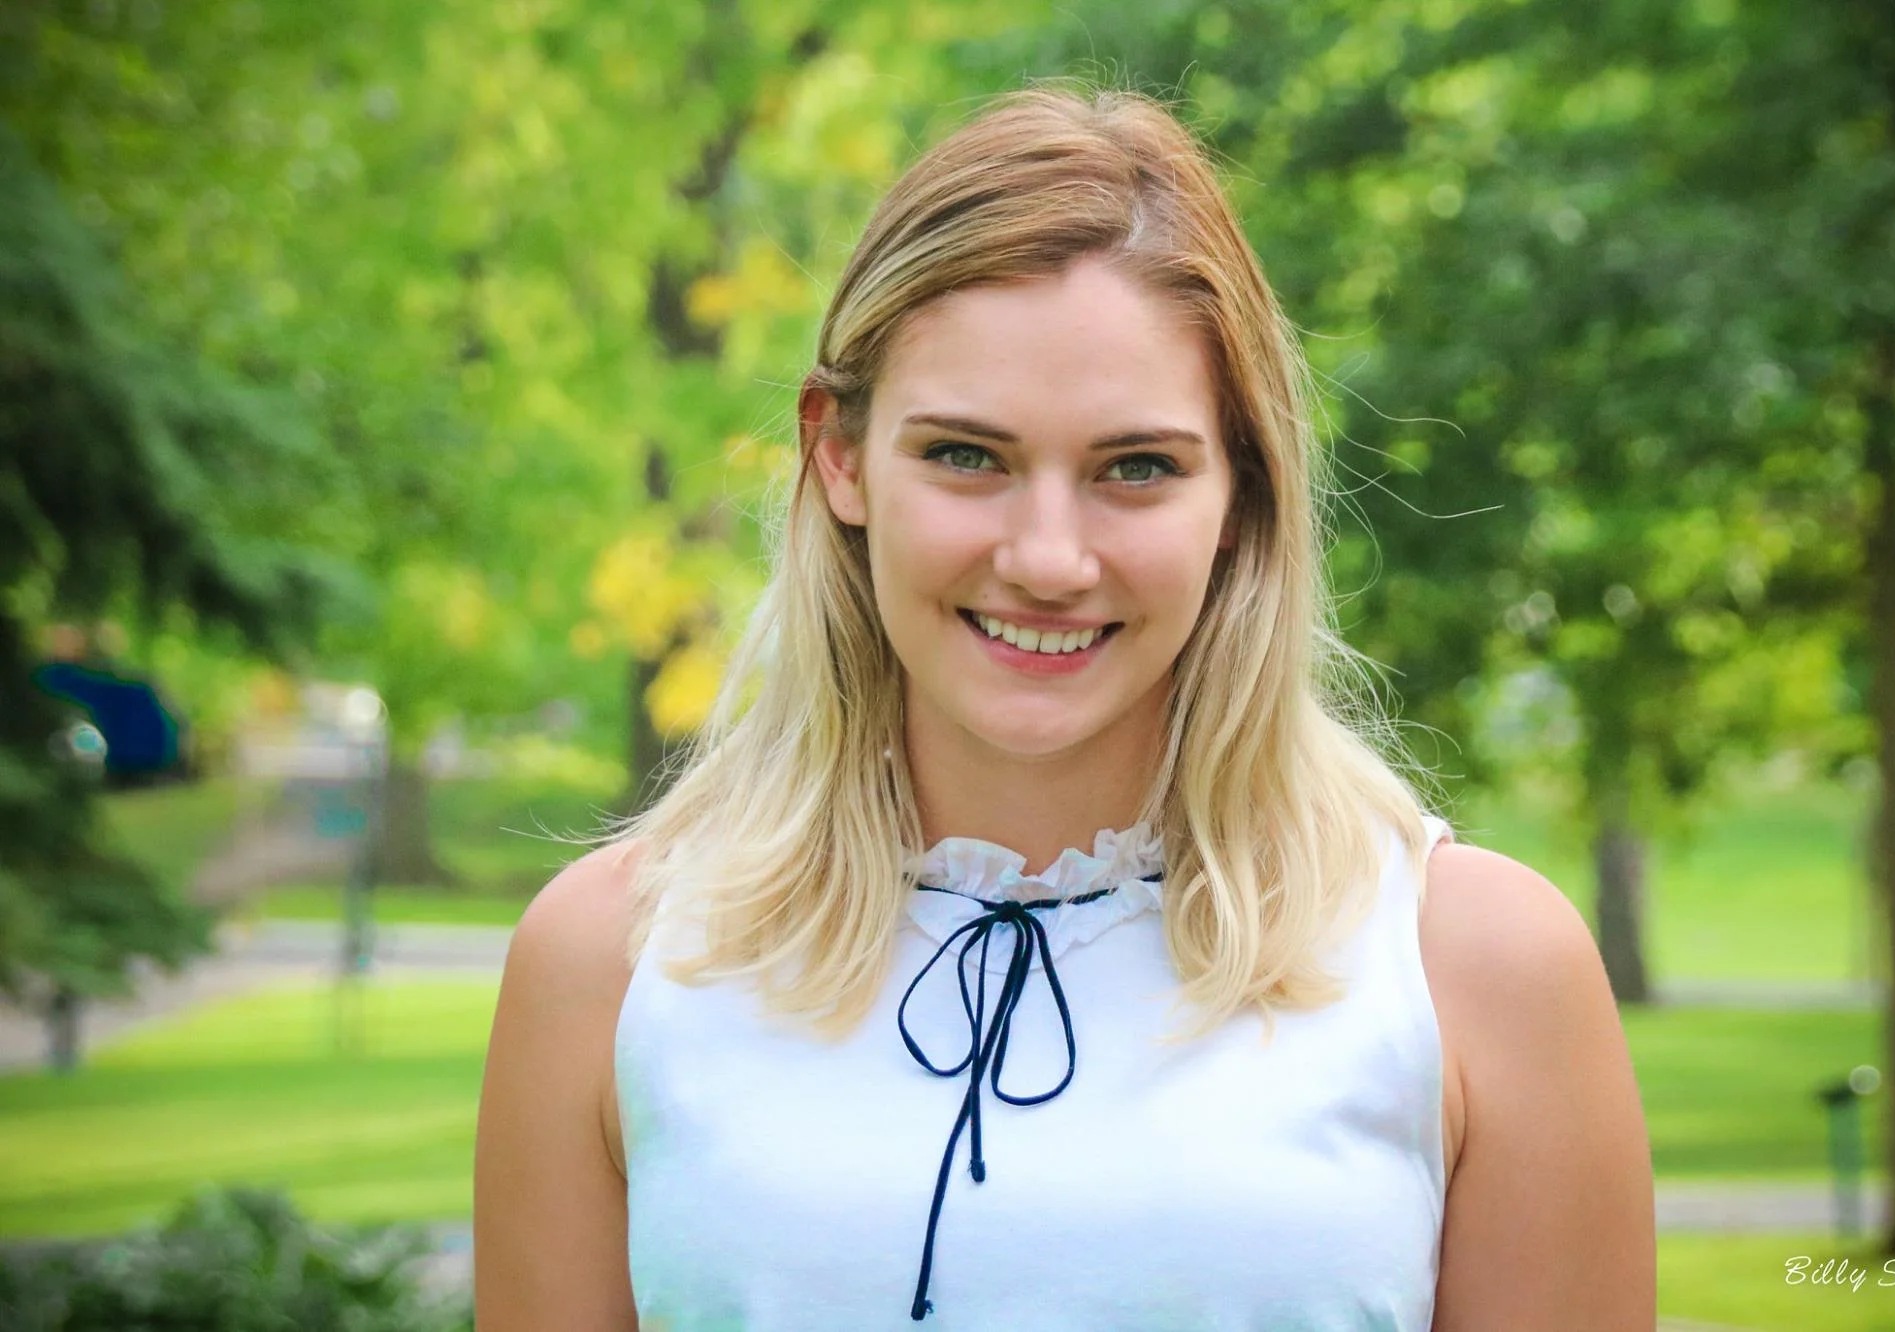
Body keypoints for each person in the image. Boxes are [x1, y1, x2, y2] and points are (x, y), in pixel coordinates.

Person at [474, 86, 1654, 1331]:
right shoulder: (611, 961)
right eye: (966, 457)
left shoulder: (1474, 967)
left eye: (1133, 468)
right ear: (837, 456)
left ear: (1239, 493)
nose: (1047, 557)